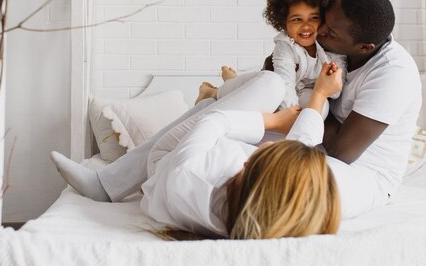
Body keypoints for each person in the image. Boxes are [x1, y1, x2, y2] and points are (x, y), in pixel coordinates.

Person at [52, 0, 421, 219]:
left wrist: (314, 97)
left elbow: (342, 150)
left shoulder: (394, 74)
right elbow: (289, 77)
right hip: (311, 139)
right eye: (325, 21)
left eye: (330, 32)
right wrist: (282, 85)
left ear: (365, 48)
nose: (320, 32)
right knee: (264, 86)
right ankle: (115, 181)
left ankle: (120, 182)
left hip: (355, 174)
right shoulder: (337, 52)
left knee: (245, 119)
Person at [141, 62, 343, 240]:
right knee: (309, 114)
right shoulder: (268, 212)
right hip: (226, 154)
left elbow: (214, 121)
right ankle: (229, 90)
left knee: (271, 84)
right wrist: (320, 93)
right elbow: (302, 149)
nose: (274, 145)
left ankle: (216, 93)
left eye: (271, 151)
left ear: (246, 165)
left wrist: (274, 121)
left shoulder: (191, 172)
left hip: (168, 155)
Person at [196, 0, 345, 121]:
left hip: (304, 90)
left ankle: (232, 80)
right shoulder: (286, 45)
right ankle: (214, 91)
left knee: (322, 107)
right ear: (284, 24)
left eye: (314, 18)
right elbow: (285, 83)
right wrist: (291, 115)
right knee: (252, 95)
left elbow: (335, 92)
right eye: (297, 19)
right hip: (274, 84)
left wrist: (325, 88)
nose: (306, 26)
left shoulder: (330, 44)